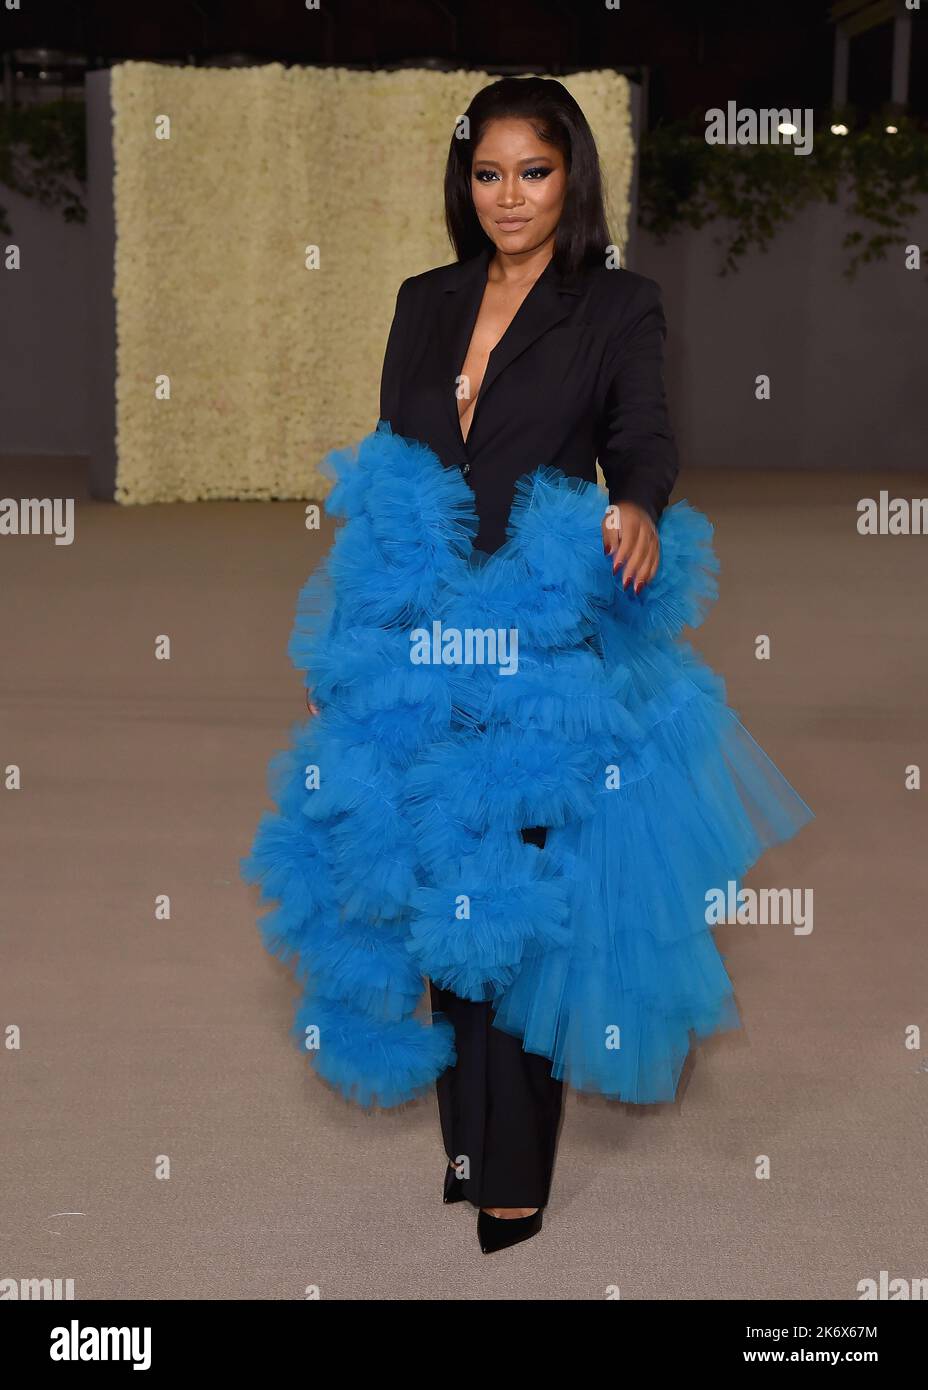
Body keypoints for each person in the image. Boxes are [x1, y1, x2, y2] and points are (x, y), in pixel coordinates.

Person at [244, 75, 813, 1258]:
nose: (510, 195)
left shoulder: (615, 306)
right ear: (465, 179)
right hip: (417, 643)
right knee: (437, 893)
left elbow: (642, 434)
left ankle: (512, 1177)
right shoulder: (422, 300)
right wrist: (350, 637)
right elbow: (394, 478)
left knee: (516, 903)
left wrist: (642, 505)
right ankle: (469, 1151)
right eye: (489, 171)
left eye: (535, 172)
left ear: (573, 179)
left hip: (536, 641)